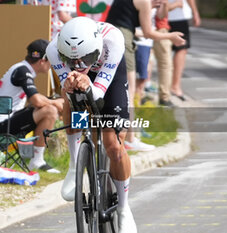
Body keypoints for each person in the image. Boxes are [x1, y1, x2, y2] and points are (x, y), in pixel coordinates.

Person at [46, 16, 137, 233]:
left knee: (113, 145)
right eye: (72, 60)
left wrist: (89, 83)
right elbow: (72, 94)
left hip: (109, 78)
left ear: (95, 48)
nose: (79, 65)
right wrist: (70, 83)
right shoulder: (53, 49)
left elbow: (99, 94)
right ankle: (74, 166)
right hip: (80, 80)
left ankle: (124, 209)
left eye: (85, 59)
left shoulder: (113, 39)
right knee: (69, 96)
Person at [106, 0, 185, 151]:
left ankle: (114, 134)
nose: (158, 5)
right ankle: (130, 138)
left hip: (110, 36)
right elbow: (148, 32)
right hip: (122, 42)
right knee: (129, 91)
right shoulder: (144, 2)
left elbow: (124, 24)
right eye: (159, 2)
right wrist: (170, 36)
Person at [0, 39, 64, 173]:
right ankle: (37, 161)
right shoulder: (23, 71)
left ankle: (36, 159)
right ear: (43, 60)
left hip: (0, 123)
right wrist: (55, 102)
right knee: (50, 111)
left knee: (46, 108)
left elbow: (34, 100)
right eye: (51, 60)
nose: (52, 65)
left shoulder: (21, 68)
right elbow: (36, 100)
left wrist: (51, 101)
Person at [168, 0, 201, 100]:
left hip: (158, 15)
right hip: (177, 16)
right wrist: (195, 12)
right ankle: (175, 86)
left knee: (159, 50)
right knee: (181, 49)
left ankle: (153, 84)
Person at [153, 0, 183, 106]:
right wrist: (175, 4)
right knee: (165, 65)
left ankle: (142, 96)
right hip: (159, 29)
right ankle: (164, 98)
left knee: (148, 64)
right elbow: (160, 14)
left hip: (151, 29)